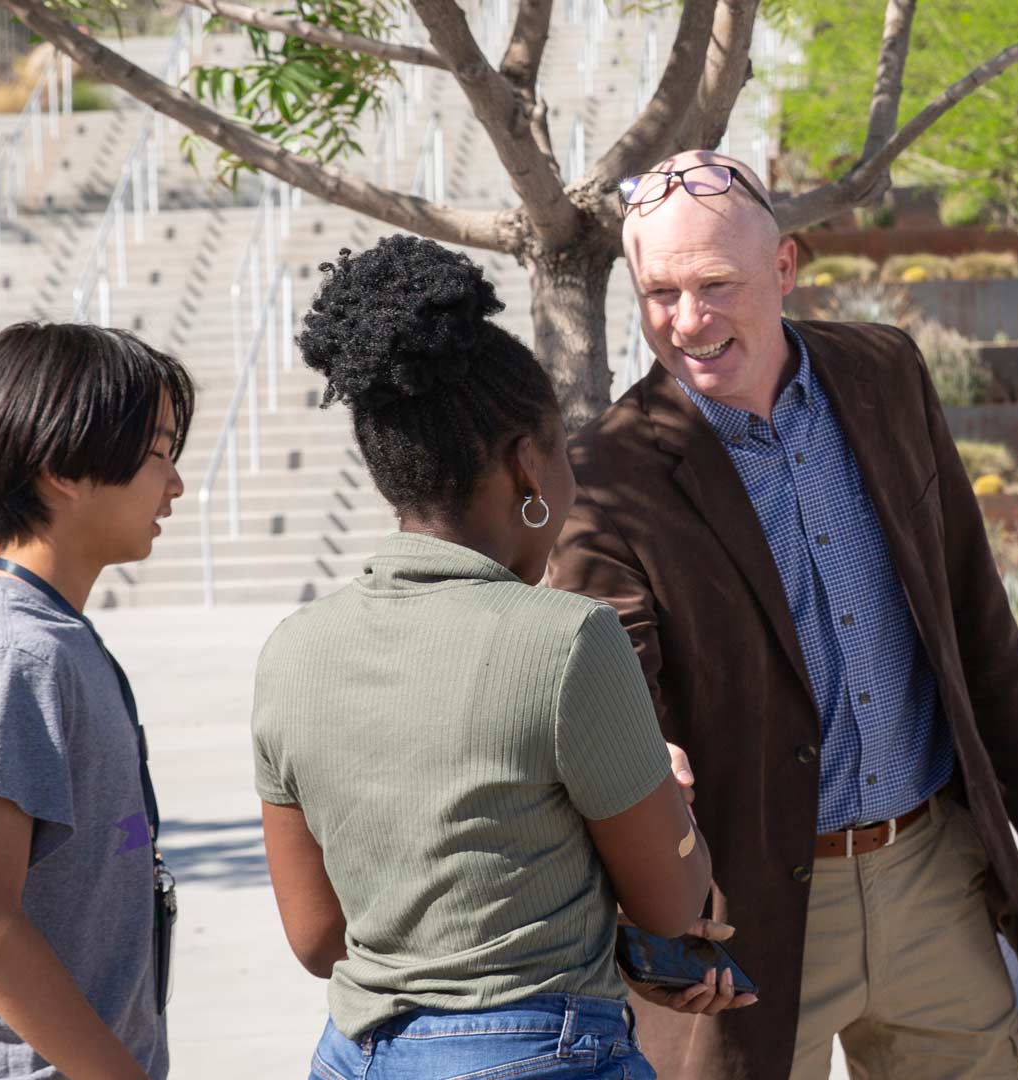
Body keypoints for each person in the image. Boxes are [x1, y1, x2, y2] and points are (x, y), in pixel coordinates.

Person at [547, 149, 1018, 1080]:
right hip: (746, 922)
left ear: (785, 267)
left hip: (936, 875)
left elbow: (971, 603)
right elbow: (609, 693)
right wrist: (649, 812)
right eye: (660, 293)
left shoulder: (883, 371)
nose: (688, 322)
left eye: (716, 284)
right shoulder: (605, 473)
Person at [251, 235, 732, 1080]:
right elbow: (670, 902)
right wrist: (662, 797)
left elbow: (318, 937)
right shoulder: (568, 640)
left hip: (356, 1055)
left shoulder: (292, 652)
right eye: (561, 450)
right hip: (539, 1055)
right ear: (527, 465)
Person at [0, 323, 194, 1080]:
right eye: (159, 450)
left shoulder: (52, 637)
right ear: (64, 466)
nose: (176, 483)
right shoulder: (20, 655)